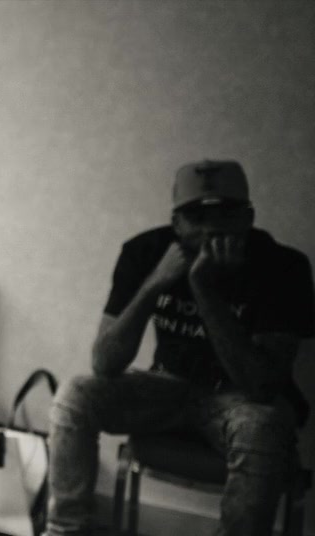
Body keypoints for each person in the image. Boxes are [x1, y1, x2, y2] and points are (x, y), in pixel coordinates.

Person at [46, 160, 314, 535]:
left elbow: (262, 387)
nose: (211, 228)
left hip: (239, 400)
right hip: (166, 385)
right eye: (197, 217)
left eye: (226, 214)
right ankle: (65, 530)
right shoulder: (146, 251)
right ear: (176, 223)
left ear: (248, 218)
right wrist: (155, 283)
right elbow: (105, 363)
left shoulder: (284, 267)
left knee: (263, 426)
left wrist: (203, 288)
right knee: (75, 394)